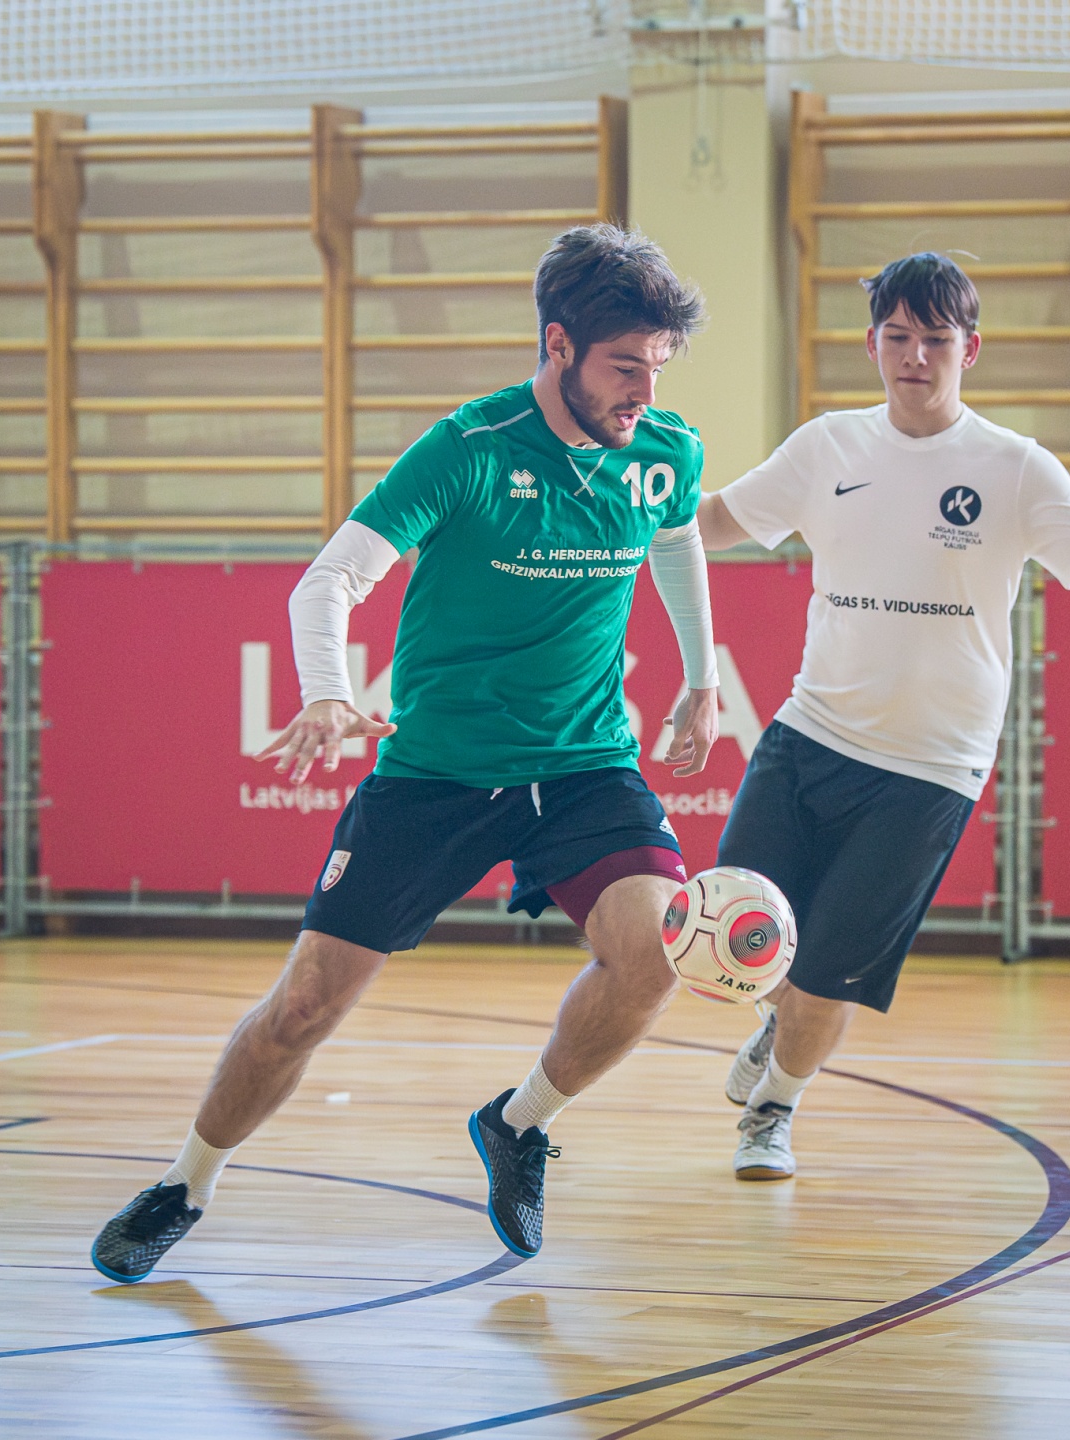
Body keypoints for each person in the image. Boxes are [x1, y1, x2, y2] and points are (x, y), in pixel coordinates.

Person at [90, 225, 717, 1280]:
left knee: (655, 952)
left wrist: (702, 678)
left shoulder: (663, 451)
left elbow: (679, 538)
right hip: (437, 776)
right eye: (625, 369)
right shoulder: (468, 450)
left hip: (585, 765)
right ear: (558, 345)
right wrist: (329, 692)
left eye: (657, 369)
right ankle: (185, 1184)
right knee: (304, 1008)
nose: (643, 395)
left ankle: (519, 1124)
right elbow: (328, 581)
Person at [699, 253, 1070, 1179]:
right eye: (898, 337)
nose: (915, 357)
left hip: (930, 768)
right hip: (810, 736)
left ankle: (773, 1108)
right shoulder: (827, 447)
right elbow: (714, 523)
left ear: (970, 349)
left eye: (935, 340)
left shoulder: (1015, 470)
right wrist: (614, 507)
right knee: (744, 930)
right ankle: (779, 1026)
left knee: (829, 968)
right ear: (871, 344)